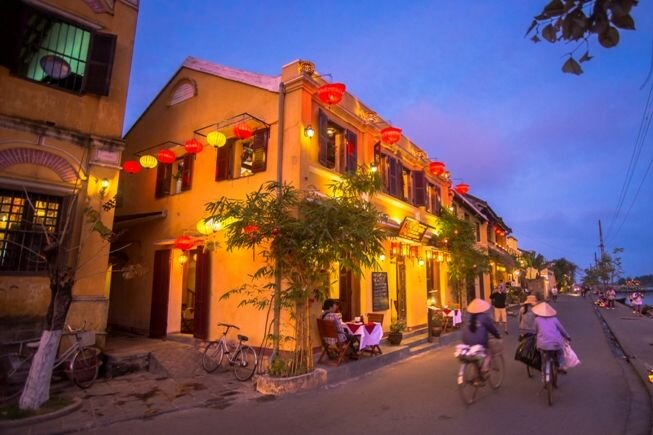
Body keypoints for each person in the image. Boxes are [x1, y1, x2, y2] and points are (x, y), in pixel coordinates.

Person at [463, 298, 501, 375]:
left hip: (466, 341)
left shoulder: (468, 317)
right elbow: (492, 328)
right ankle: (484, 368)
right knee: (488, 353)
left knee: (474, 356)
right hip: (480, 341)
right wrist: (497, 335)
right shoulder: (484, 317)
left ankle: (476, 377)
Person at [532, 302, 571, 373]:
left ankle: (544, 377)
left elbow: (535, 331)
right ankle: (561, 366)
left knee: (543, 360)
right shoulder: (554, 319)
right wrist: (567, 336)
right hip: (555, 343)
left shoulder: (537, 320)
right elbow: (562, 330)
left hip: (542, 345)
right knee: (560, 353)